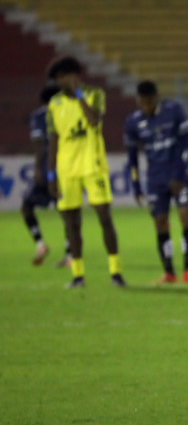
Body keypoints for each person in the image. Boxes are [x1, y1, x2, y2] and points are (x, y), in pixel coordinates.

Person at [46, 56, 126, 288]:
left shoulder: (95, 94)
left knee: (104, 218)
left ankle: (115, 273)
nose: (60, 82)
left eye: (62, 77)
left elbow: (93, 121)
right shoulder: (54, 104)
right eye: (58, 79)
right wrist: (52, 175)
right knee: (71, 224)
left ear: (74, 75)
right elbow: (54, 141)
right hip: (66, 170)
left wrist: (79, 95)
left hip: (93, 166)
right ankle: (78, 276)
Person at [124, 81, 188, 284]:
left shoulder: (174, 111)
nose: (145, 106)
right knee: (160, 222)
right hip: (155, 178)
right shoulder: (133, 121)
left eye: (148, 102)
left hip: (178, 175)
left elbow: (185, 146)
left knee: (186, 216)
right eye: (141, 103)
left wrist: (179, 175)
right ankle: (169, 272)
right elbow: (132, 158)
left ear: (156, 97)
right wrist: (136, 185)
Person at [22, 84, 70, 267]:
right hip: (65, 169)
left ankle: (41, 244)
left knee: (27, 207)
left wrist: (36, 168)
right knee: (67, 212)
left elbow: (40, 144)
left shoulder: (39, 116)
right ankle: (69, 254)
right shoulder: (66, 113)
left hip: (46, 169)